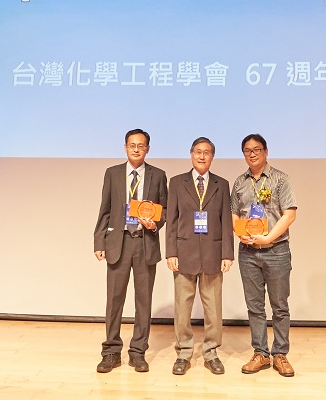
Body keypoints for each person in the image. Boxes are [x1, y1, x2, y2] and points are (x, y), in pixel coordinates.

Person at [93, 128, 167, 372]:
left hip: (145, 242)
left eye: (141, 145)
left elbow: (165, 210)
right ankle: (111, 352)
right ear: (125, 147)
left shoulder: (158, 175)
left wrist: (155, 223)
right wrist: (99, 241)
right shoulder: (113, 173)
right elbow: (105, 209)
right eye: (132, 145)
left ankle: (138, 352)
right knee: (114, 301)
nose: (136, 149)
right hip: (119, 242)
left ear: (148, 149)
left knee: (143, 301)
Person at [164, 137, 235, 375]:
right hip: (184, 254)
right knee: (182, 309)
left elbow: (226, 221)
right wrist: (171, 252)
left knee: (213, 309)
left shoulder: (222, 184)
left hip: (213, 254)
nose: (202, 156)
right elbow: (172, 221)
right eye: (198, 152)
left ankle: (211, 353)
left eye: (207, 152)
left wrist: (227, 254)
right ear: (191, 154)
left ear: (212, 156)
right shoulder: (177, 182)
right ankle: (184, 353)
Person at [230, 132, 298, 377]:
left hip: (276, 250)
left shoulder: (280, 179)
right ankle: (260, 353)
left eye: (257, 149)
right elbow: (234, 213)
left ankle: (280, 354)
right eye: (247, 150)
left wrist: (268, 238)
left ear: (266, 152)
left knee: (280, 306)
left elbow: (290, 214)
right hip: (248, 252)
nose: (252, 154)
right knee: (255, 307)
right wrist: (240, 233)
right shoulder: (239, 182)